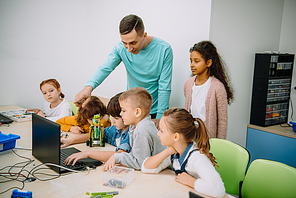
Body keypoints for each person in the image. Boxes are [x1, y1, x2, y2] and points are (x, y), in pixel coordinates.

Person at [74, 14, 173, 122]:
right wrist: (88, 88)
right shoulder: (120, 49)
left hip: (154, 111)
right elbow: (105, 68)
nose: (129, 49)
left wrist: (160, 117)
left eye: (133, 43)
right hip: (130, 109)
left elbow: (164, 87)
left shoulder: (164, 49)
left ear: (144, 35)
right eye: (125, 43)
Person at [141, 108, 225, 198]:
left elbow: (218, 190)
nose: (158, 134)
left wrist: (191, 182)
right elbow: (147, 168)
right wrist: (168, 151)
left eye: (161, 131)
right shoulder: (175, 151)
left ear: (176, 137)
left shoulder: (197, 158)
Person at [102, 87, 166, 171]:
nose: (121, 114)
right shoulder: (135, 126)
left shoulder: (142, 129)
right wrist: (127, 164)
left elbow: (140, 163)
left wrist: (117, 157)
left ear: (137, 112)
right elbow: (136, 154)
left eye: (124, 111)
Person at [184, 41, 234, 139]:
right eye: (191, 61)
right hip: (191, 134)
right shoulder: (188, 84)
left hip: (208, 136)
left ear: (209, 63)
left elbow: (222, 121)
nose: (192, 65)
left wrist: (219, 144)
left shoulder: (218, 87)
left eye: (196, 61)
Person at [64, 92, 131, 166]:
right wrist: (69, 141)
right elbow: (97, 135)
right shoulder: (115, 129)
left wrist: (88, 153)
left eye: (116, 118)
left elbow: (120, 155)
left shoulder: (131, 133)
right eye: (112, 117)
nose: (112, 121)